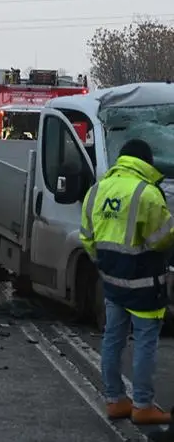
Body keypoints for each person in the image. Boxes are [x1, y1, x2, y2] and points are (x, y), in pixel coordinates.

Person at [80, 139, 174, 425]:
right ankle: (143, 405)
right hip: (145, 282)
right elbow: (164, 239)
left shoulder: (96, 190)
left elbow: (87, 236)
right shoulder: (148, 193)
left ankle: (115, 400)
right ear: (146, 162)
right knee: (145, 341)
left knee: (112, 339)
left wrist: (106, 264)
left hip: (112, 280)